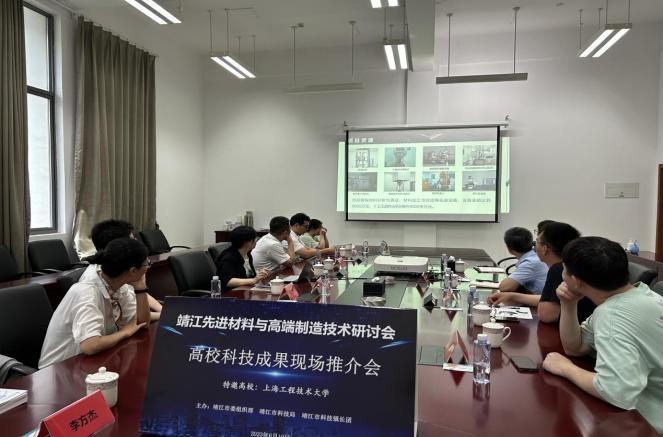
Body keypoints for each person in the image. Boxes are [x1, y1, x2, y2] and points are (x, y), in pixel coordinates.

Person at [542, 237, 663, 434]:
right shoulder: (641, 294)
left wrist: (565, 368)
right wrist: (568, 304)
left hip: (649, 425)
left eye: (564, 270)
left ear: (576, 281)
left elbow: (616, 392)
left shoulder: (612, 316)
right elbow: (575, 347)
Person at [38, 238, 151, 368]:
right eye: (147, 263)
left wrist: (141, 288)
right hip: (58, 370)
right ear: (133, 271)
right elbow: (90, 345)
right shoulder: (86, 292)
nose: (149, 266)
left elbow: (142, 322)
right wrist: (124, 332)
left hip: (89, 362)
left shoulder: (120, 286)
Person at [488, 222, 593, 323]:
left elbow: (546, 314)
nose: (533, 246)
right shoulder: (573, 266)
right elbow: (551, 300)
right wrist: (513, 296)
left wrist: (514, 296)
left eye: (537, 242)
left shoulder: (558, 269)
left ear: (544, 249)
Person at [88, 219, 162, 321]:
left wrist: (163, 311)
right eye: (132, 240)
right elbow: (138, 320)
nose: (136, 242)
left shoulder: (118, 270)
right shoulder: (92, 288)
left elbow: (139, 317)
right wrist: (165, 314)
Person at [215, 226, 268, 291]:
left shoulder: (247, 253)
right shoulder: (228, 258)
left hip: (244, 289)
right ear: (246, 242)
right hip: (230, 293)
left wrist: (260, 274)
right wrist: (253, 280)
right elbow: (229, 281)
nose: (255, 241)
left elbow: (247, 273)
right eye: (254, 239)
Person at [497, 227, 548, 294]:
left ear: (509, 248)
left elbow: (504, 287)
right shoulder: (534, 256)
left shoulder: (530, 263)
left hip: (538, 299)